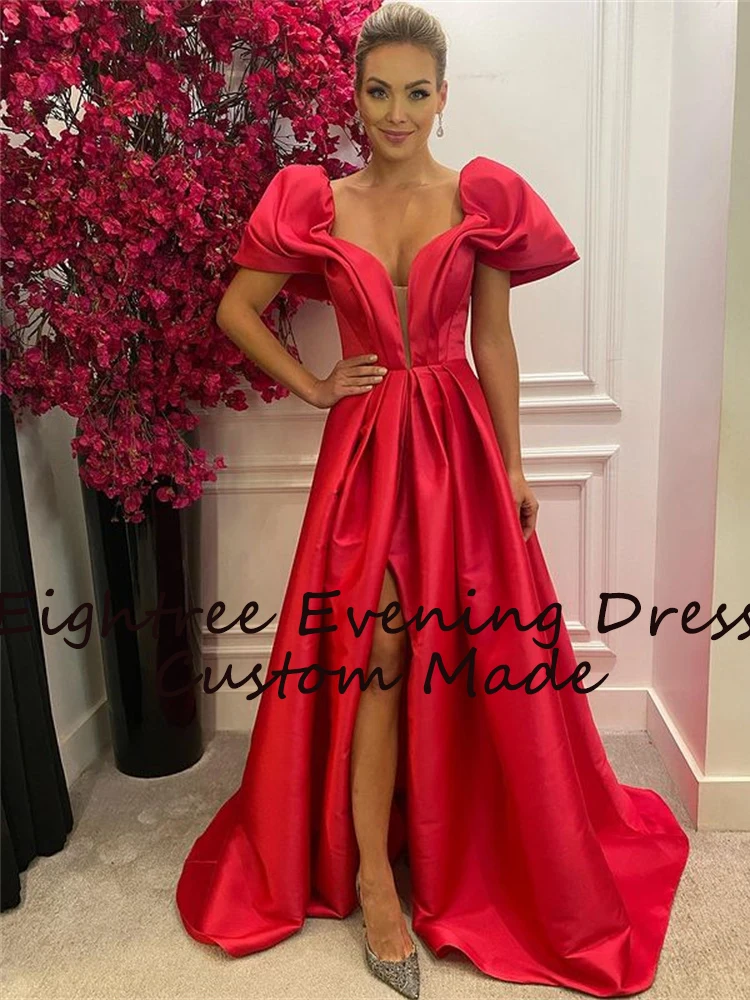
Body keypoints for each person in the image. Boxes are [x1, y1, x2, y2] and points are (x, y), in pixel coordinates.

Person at [175, 4, 690, 999]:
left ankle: (466, 849)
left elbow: (493, 340)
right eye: (379, 91)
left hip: (457, 448)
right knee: (378, 652)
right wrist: (316, 384)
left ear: (444, 97)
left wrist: (515, 465)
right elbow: (238, 307)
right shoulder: (318, 202)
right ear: (355, 97)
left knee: (470, 654)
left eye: (416, 92)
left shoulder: (481, 199)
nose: (397, 112)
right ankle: (375, 879)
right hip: (368, 450)